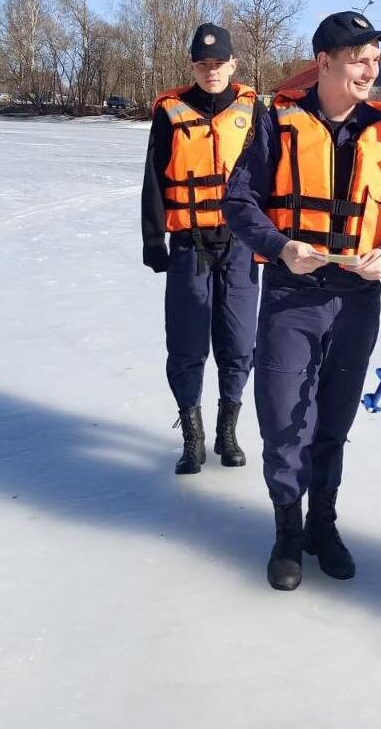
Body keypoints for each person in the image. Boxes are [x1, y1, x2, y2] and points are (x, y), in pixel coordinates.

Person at [224, 11, 381, 591]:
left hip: (358, 299)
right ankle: (287, 530)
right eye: (358, 59)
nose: (371, 69)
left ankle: (323, 523)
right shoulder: (278, 122)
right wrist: (280, 247)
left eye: (375, 60)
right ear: (324, 62)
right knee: (284, 416)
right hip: (294, 295)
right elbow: (239, 204)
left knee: (334, 418)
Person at [141, 23, 263, 475]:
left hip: (241, 245)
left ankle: (226, 432)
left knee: (238, 343)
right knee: (187, 344)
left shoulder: (253, 109)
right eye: (202, 63)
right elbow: (154, 179)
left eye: (219, 63)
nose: (211, 71)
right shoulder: (171, 111)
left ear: (233, 63)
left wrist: (274, 238)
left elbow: (272, 178)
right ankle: (192, 439)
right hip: (189, 244)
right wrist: (154, 239)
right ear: (192, 65)